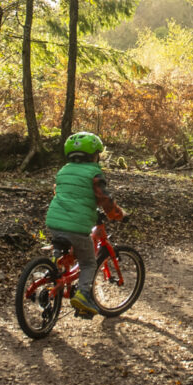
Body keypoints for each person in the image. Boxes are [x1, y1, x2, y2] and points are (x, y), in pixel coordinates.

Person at [45, 131, 126, 318]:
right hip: (77, 226)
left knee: (63, 255)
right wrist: (118, 214)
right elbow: (105, 198)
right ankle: (83, 295)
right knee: (89, 262)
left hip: (54, 221)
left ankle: (53, 277)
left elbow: (62, 193)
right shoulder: (94, 173)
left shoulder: (63, 170)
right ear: (94, 155)